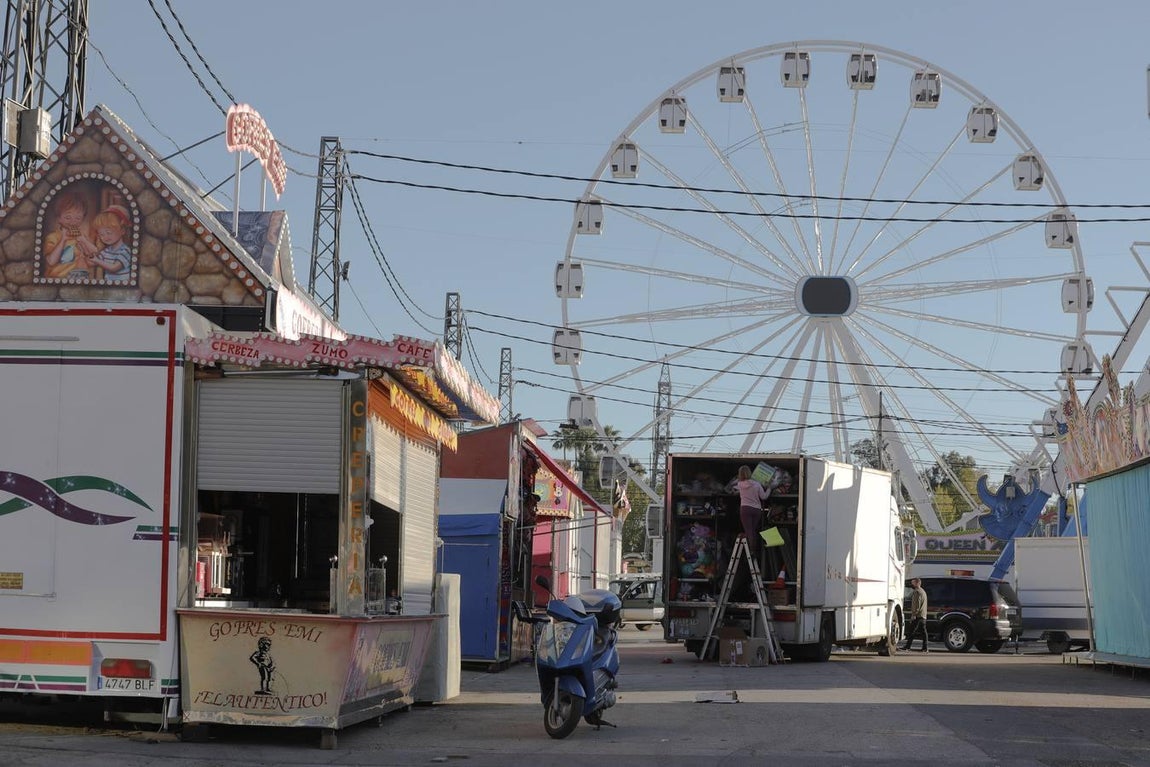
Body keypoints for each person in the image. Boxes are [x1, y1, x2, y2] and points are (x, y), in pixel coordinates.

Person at [43, 191, 98, 280]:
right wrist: (63, 240)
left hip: (80, 278)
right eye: (68, 217)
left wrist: (83, 240)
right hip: (57, 279)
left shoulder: (82, 236)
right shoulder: (53, 237)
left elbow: (94, 252)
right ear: (59, 218)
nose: (73, 222)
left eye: (78, 218)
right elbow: (51, 261)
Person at [88, 205, 133, 283]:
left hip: (123, 286)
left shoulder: (125, 251)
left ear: (122, 230)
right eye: (101, 234)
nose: (105, 237)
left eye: (109, 232)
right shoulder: (106, 251)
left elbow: (114, 268)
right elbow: (91, 263)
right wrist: (87, 254)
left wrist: (97, 261)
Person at [734, 465, 770, 554]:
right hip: (757, 510)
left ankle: (751, 551)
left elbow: (734, 490)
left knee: (749, 531)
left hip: (745, 509)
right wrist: (769, 488)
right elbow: (764, 497)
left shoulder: (739, 484)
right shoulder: (757, 484)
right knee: (753, 531)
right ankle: (755, 551)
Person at [903, 577, 929, 652]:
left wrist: (914, 614)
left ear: (917, 583)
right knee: (923, 632)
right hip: (923, 615)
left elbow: (916, 604)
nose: (912, 584)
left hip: (918, 615)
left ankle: (907, 646)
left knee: (912, 631)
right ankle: (925, 648)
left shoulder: (917, 592)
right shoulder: (923, 591)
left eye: (913, 582)